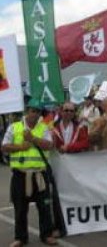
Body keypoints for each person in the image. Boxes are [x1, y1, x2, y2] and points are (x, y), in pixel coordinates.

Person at [1, 99, 57, 246]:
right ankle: (20, 237)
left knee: (44, 206)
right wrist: (20, 147)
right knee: (20, 207)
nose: (35, 114)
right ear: (27, 111)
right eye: (33, 111)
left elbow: (49, 145)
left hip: (39, 174)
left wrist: (33, 139)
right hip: (20, 174)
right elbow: (4, 147)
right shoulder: (14, 127)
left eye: (38, 112)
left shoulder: (43, 128)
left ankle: (47, 234)